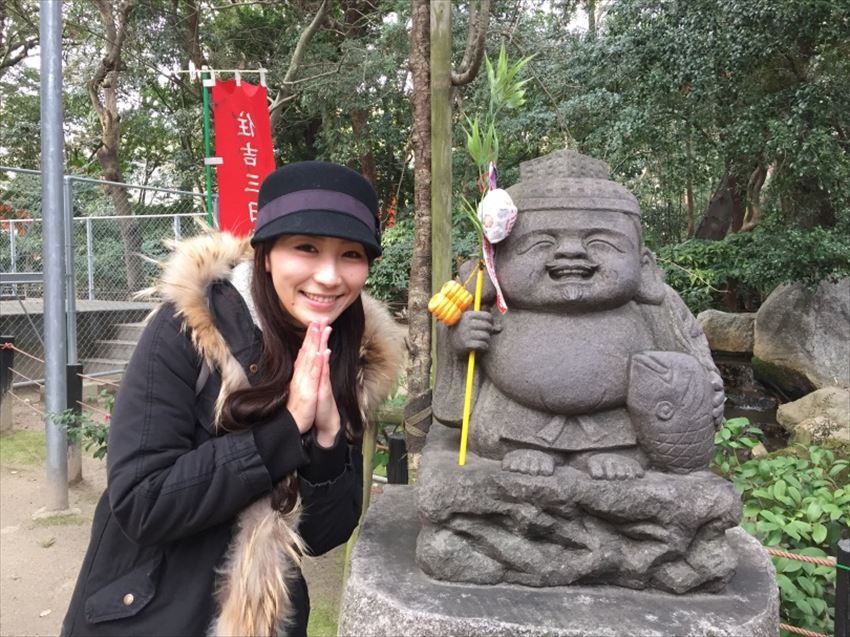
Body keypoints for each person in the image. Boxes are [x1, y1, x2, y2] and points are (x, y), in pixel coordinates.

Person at [61, 161, 405, 637]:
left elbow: (323, 537)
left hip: (266, 617)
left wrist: (326, 438)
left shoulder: (351, 353)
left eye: (351, 254)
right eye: (306, 248)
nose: (329, 276)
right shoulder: (190, 329)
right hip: (147, 613)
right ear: (266, 254)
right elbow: (142, 501)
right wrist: (285, 428)